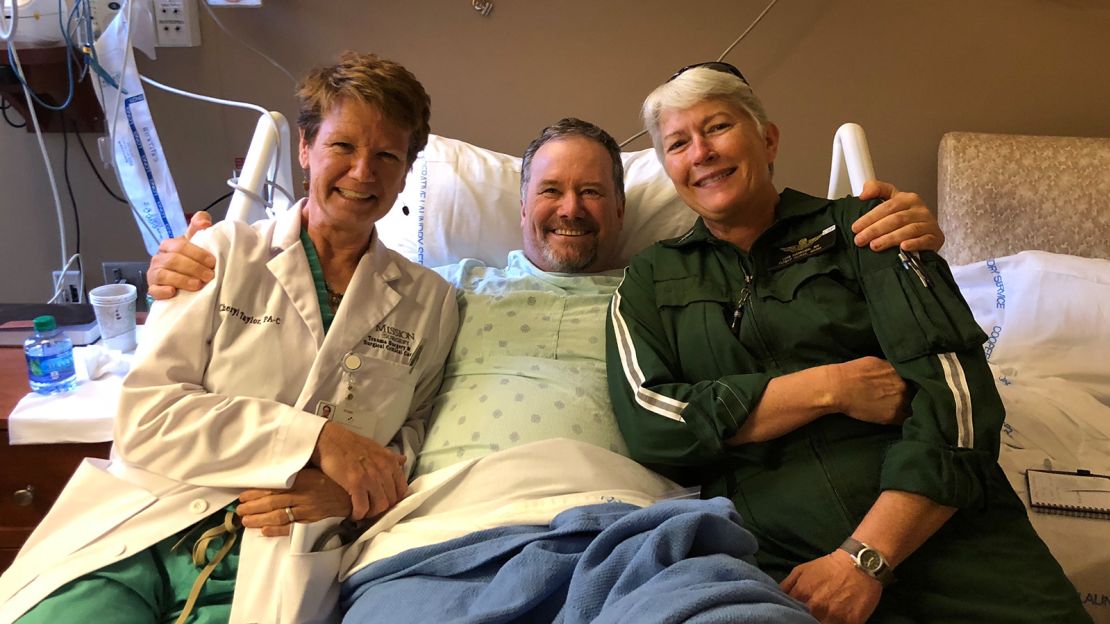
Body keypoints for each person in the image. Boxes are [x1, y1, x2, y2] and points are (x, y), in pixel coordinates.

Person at [141, 117, 946, 622]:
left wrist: (876, 232)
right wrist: (198, 261)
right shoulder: (439, 291)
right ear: (519, 203)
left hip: (637, 524)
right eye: (552, 190)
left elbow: (782, 332)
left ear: (623, 209)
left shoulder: (670, 293)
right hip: (444, 531)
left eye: (594, 191)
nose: (572, 208)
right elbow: (323, 341)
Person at [606, 62, 1090, 623]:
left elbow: (958, 401)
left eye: (716, 127)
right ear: (667, 168)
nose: (700, 152)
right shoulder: (646, 281)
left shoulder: (869, 229)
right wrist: (829, 387)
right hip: (785, 560)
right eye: (678, 143)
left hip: (948, 532)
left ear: (767, 140)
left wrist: (865, 561)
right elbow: (655, 427)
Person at [0, 52, 459, 624]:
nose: (363, 171)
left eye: (387, 154)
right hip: (145, 526)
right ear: (305, 147)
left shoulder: (430, 301)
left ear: (406, 170)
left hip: (277, 546)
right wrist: (316, 441)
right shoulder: (220, 254)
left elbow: (413, 434)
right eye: (343, 146)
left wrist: (351, 496)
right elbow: (145, 420)